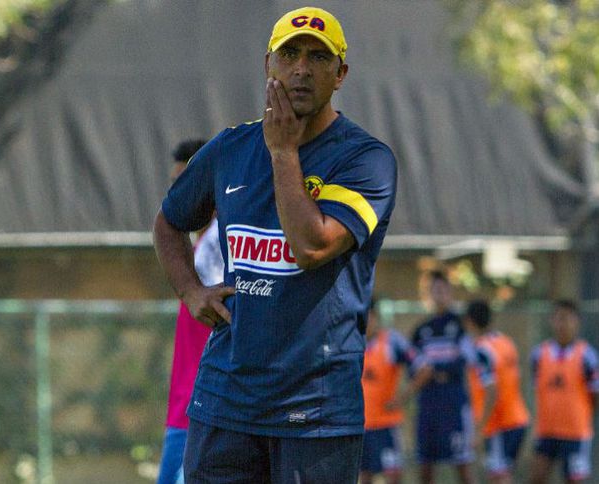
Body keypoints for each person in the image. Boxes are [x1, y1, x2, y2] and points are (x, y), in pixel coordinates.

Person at [152, 6, 398, 483]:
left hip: (315, 414)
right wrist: (191, 290)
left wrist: (283, 151)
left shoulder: (366, 160)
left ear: (341, 74)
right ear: (269, 64)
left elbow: (311, 246)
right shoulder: (231, 148)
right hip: (225, 404)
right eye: (289, 54)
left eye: (318, 57)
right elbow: (168, 222)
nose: (301, 68)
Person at [157, 139, 223, 484]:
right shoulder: (199, 244)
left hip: (203, 409)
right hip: (186, 407)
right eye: (173, 183)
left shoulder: (219, 240)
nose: (177, 193)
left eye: (185, 182)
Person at [409, 271, 476, 484]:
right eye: (434, 290)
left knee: (462, 466)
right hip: (428, 404)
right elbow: (414, 367)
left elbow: (464, 362)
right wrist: (432, 372)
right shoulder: (421, 330)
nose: (438, 294)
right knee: (425, 467)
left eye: (443, 290)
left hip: (453, 404)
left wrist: (433, 370)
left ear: (450, 292)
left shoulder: (461, 325)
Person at [529, 300, 599, 484]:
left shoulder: (587, 356)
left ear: (577, 322)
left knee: (574, 479)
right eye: (559, 318)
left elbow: (595, 393)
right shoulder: (539, 354)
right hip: (547, 430)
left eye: (568, 319)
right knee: (537, 476)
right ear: (552, 321)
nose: (563, 324)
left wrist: (582, 414)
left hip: (575, 432)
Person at [464, 300, 530, 484]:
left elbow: (491, 390)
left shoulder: (482, 351)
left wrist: (479, 430)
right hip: (517, 417)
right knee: (502, 474)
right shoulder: (505, 341)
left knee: (499, 476)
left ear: (469, 322)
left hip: (499, 423)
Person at [359, 299, 415, 484]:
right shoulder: (354, 344)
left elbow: (423, 368)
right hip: (360, 425)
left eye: (368, 316)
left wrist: (401, 398)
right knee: (364, 476)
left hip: (386, 425)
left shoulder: (392, 341)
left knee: (393, 475)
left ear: (375, 316)